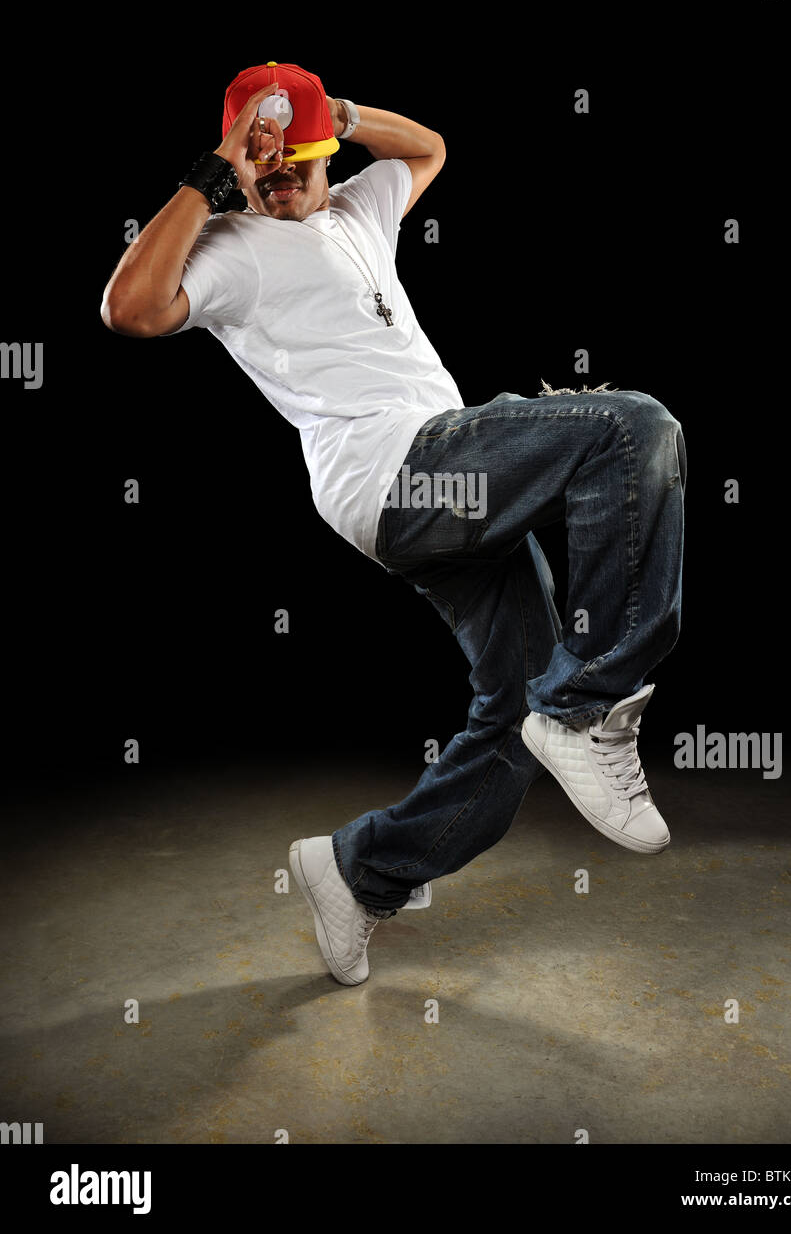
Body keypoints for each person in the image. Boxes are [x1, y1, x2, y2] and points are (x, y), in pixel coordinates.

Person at [101, 62, 686, 988]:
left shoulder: (359, 210)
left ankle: (360, 870)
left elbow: (430, 148)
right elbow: (127, 309)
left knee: (509, 729)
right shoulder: (227, 245)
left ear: (326, 155)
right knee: (632, 426)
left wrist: (341, 114)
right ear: (243, 168)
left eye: (302, 163)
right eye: (269, 168)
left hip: (449, 484)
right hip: (402, 472)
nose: (285, 182)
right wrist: (218, 172)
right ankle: (589, 706)